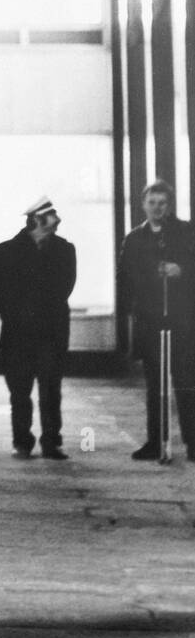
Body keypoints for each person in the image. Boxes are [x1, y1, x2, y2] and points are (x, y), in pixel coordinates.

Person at [0, 197, 77, 460]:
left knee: (50, 389)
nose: (57, 219)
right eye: (52, 215)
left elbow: (65, 287)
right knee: (19, 391)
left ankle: (51, 442)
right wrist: (17, 315)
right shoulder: (4, 251)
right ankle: (22, 442)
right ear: (36, 219)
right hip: (19, 333)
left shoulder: (65, 249)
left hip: (50, 333)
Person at [117, 180, 195, 462]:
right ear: (143, 205)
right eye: (152, 203)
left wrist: (182, 271)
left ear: (169, 205)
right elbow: (124, 278)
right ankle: (155, 441)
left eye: (162, 203)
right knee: (154, 386)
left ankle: (192, 442)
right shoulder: (135, 238)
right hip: (150, 322)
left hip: (182, 322)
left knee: (186, 382)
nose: (156, 208)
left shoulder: (186, 233)